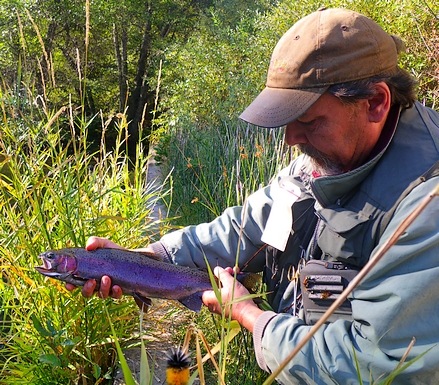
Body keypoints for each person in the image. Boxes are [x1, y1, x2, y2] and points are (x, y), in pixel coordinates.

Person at [68, 8, 439, 384]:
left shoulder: (426, 206)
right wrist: (147, 261)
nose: (291, 139)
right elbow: (245, 226)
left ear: (375, 102)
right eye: (287, 122)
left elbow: (380, 366)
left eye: (308, 122)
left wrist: (250, 317)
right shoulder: (326, 160)